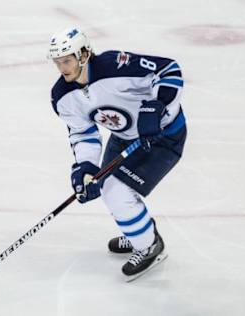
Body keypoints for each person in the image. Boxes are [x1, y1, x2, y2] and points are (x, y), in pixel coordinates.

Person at [48, 27, 187, 280]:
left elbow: (169, 70)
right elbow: (83, 133)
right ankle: (138, 233)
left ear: (84, 54)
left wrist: (157, 106)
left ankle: (149, 247)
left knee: (116, 190)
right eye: (58, 62)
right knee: (102, 185)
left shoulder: (115, 66)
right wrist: (86, 166)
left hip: (163, 136)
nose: (62, 68)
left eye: (66, 60)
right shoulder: (62, 96)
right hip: (124, 137)